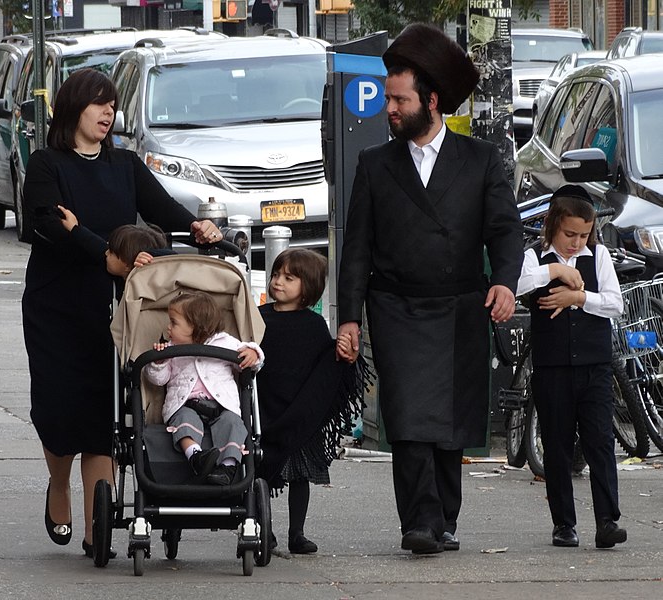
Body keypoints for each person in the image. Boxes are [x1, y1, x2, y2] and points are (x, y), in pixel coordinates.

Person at [336, 23, 524, 555]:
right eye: (388, 98)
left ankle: (445, 517)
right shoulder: (376, 164)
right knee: (410, 417)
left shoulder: (481, 159)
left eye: (399, 99)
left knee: (451, 421)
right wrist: (349, 317)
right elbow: (358, 248)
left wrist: (506, 283)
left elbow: (505, 231)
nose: (388, 109)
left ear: (431, 100)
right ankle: (417, 521)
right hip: (395, 305)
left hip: (462, 304)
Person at [22, 68, 225, 559]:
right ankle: (58, 484)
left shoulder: (125, 164)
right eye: (98, 103)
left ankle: (97, 530)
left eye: (112, 104)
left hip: (112, 306)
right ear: (73, 108)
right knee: (58, 410)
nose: (108, 112)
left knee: (102, 416)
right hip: (55, 307)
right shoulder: (47, 163)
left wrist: (196, 226)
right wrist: (101, 251)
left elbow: (159, 206)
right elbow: (44, 224)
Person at [516, 185, 626, 549]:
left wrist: (578, 297)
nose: (576, 243)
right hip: (552, 368)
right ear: (551, 225)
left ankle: (607, 520)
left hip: (595, 365)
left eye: (583, 235)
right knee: (557, 446)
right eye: (569, 234)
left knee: (600, 443)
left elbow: (614, 304)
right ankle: (564, 523)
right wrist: (554, 273)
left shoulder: (598, 256)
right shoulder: (536, 258)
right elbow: (519, 286)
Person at [256, 249, 367, 554]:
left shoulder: (314, 325)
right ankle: (264, 529)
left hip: (299, 411)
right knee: (260, 472)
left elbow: (325, 364)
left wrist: (342, 353)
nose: (278, 282)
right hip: (262, 407)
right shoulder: (258, 317)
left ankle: (297, 533)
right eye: (277, 274)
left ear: (309, 288)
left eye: (289, 278)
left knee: (300, 473)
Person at [144, 291, 264, 485]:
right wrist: (159, 361)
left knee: (233, 423)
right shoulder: (171, 348)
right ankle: (196, 457)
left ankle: (228, 466)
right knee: (184, 420)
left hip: (221, 406)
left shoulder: (225, 342)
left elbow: (250, 359)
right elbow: (158, 380)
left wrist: (252, 353)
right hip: (187, 404)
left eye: (174, 323)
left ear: (196, 326)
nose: (168, 327)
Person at [57, 209, 170, 278]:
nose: (106, 253)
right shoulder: (121, 270)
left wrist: (153, 258)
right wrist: (74, 228)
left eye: (111, 252)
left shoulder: (148, 286)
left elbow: (170, 260)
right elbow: (94, 245)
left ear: (126, 265)